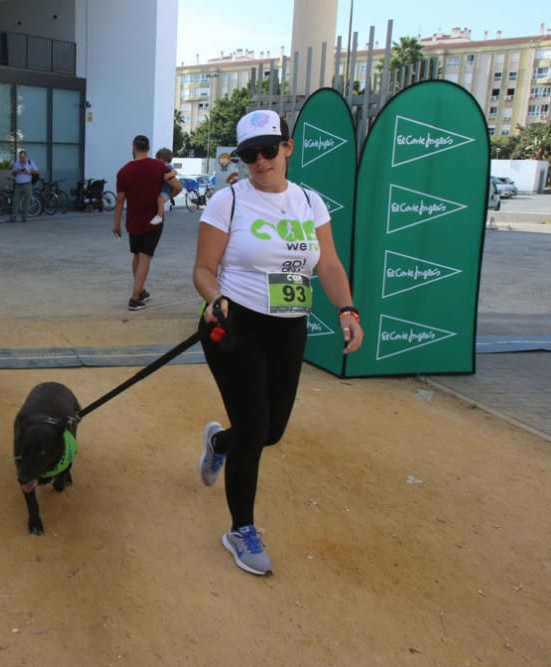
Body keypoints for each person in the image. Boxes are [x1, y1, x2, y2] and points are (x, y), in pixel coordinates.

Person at [192, 110, 364, 576]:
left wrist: (347, 310)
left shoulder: (310, 202)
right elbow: (204, 270)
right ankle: (240, 529)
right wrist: (215, 299)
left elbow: (327, 265)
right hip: (235, 325)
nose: (260, 161)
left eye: (269, 150)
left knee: (271, 432)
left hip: (289, 327)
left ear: (287, 148)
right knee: (254, 431)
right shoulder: (227, 202)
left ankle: (219, 443)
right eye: (250, 154)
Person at [113, 135, 183, 310]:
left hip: (132, 221)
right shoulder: (159, 167)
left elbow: (120, 201)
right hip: (153, 220)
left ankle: (140, 289)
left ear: (134, 147)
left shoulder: (123, 172)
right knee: (145, 257)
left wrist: (116, 224)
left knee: (136, 255)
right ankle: (135, 298)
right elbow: (178, 186)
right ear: (149, 148)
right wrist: (166, 199)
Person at [9, 150, 38, 222]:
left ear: (26, 156)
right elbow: (12, 173)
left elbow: (36, 171)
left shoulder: (30, 162)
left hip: (27, 184)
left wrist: (29, 171)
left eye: (23, 157)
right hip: (18, 185)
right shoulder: (17, 163)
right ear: (19, 157)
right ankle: (13, 217)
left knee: (27, 201)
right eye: (21, 157)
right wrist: (16, 171)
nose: (22, 158)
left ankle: (24, 217)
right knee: (15, 201)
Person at [150, 147, 176, 225]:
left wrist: (169, 174)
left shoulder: (168, 166)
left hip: (166, 191)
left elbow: (174, 172)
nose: (156, 159)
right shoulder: (161, 166)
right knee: (159, 200)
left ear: (161, 158)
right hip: (162, 190)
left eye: (157, 158)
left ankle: (159, 216)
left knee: (160, 200)